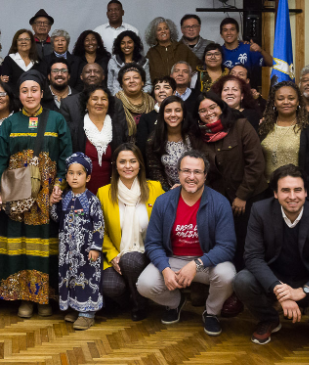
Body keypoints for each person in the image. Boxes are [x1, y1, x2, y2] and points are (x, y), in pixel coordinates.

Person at [233, 165, 309, 346]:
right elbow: (252, 257)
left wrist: (302, 291)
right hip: (275, 277)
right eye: (285, 190)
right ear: (275, 193)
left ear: (306, 192)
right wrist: (280, 290)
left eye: (298, 190)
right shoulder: (260, 211)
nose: (292, 196)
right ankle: (269, 319)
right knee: (241, 280)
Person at [0, 72, 72, 318]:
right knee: (19, 245)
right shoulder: (10, 123)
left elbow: (67, 154)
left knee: (45, 247)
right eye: (24, 91)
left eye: (34, 90)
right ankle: (24, 298)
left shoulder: (56, 120)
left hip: (47, 198)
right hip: (16, 197)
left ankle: (44, 297)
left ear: (42, 93)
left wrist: (60, 184)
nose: (30, 95)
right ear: (19, 95)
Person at [137, 151, 236, 335]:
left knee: (227, 274)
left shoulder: (219, 203)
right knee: (144, 284)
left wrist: (196, 264)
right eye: (186, 171)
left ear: (205, 175)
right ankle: (174, 303)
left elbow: (227, 247)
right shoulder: (163, 202)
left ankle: (212, 313)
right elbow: (152, 243)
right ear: (179, 173)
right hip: (173, 259)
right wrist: (165, 269)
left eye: (197, 172)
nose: (191, 177)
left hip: (206, 262)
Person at [190, 92, 267, 271]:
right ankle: (230, 287)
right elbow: (202, 171)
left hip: (251, 196)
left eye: (212, 107)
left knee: (249, 243)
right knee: (226, 243)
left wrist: (242, 195)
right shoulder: (197, 136)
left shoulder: (240, 125)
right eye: (202, 111)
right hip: (221, 199)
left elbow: (256, 163)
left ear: (221, 107)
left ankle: (248, 285)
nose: (208, 113)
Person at [98, 143, 165, 321]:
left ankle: (140, 305)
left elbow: (165, 224)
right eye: (123, 162)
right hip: (117, 255)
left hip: (147, 255)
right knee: (111, 286)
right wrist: (112, 255)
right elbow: (100, 230)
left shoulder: (155, 189)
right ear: (115, 165)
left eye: (133, 161)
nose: (128, 166)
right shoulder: (103, 193)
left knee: (132, 260)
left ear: (140, 164)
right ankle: (126, 300)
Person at [51, 153, 105, 330]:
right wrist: (52, 203)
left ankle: (88, 313)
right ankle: (75, 307)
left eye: (79, 173)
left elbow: (99, 224)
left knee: (87, 279)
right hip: (68, 251)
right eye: (71, 173)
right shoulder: (65, 198)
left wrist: (96, 247)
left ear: (88, 177)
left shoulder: (92, 200)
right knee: (71, 278)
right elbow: (56, 217)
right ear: (66, 176)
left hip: (86, 251)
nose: (74, 177)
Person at [257, 81, 309, 203]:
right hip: (267, 193)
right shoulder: (263, 128)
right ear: (274, 102)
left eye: (291, 98)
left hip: (298, 194)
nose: (286, 102)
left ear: (298, 102)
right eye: (280, 98)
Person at [67, 84, 126, 193]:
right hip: (81, 190)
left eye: (104, 99)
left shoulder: (118, 129)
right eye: (94, 99)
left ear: (108, 104)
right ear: (86, 104)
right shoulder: (75, 129)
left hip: (112, 190)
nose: (99, 102)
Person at [146, 96, 192, 192]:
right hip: (168, 191)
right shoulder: (154, 139)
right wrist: (170, 190)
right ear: (162, 114)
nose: (173, 114)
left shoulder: (194, 136)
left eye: (177, 110)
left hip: (195, 187)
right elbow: (155, 170)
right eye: (168, 111)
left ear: (184, 114)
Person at [219, 17, 273, 91]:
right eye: (225, 30)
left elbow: (271, 63)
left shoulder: (248, 48)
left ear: (237, 33)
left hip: (247, 92)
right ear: (221, 34)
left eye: (232, 29)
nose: (229, 33)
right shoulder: (218, 52)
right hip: (226, 92)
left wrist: (260, 50)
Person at [144, 17, 199, 82]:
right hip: (159, 89)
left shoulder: (182, 48)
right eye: (159, 29)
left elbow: (197, 68)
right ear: (154, 34)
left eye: (166, 28)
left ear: (170, 31)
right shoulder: (151, 53)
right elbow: (146, 77)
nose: (163, 31)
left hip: (180, 89)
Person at [115, 63, 157, 142]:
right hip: (123, 148)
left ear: (142, 82)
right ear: (121, 85)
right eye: (127, 79)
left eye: (136, 77)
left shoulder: (153, 103)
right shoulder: (114, 104)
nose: (131, 81)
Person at [134, 78, 175, 156]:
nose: (161, 90)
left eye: (166, 87)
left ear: (174, 92)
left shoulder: (183, 114)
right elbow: (142, 148)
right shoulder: (146, 118)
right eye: (157, 88)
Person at [107, 31, 151, 95]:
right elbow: (110, 86)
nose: (126, 45)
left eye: (129, 42)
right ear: (119, 45)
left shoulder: (144, 62)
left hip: (139, 99)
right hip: (118, 100)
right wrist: (116, 99)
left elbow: (148, 84)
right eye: (123, 43)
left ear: (135, 44)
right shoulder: (113, 61)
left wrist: (139, 95)